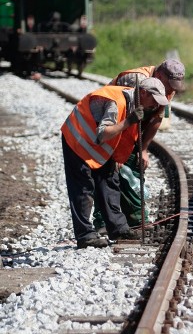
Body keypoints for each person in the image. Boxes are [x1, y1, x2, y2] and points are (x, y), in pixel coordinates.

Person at [60, 78, 168, 249]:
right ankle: (85, 235)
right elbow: (103, 133)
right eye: (154, 100)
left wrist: (117, 158)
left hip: (96, 144)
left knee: (110, 180)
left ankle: (118, 228)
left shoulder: (134, 102)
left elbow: (122, 137)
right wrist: (129, 121)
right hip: (78, 139)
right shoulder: (116, 103)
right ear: (143, 92)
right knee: (83, 187)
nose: (155, 105)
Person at [111, 59, 186, 164]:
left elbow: (158, 117)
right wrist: (119, 155)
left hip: (131, 123)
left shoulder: (168, 89)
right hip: (111, 120)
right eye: (170, 86)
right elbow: (127, 118)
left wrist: (143, 149)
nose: (172, 90)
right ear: (159, 76)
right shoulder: (137, 81)